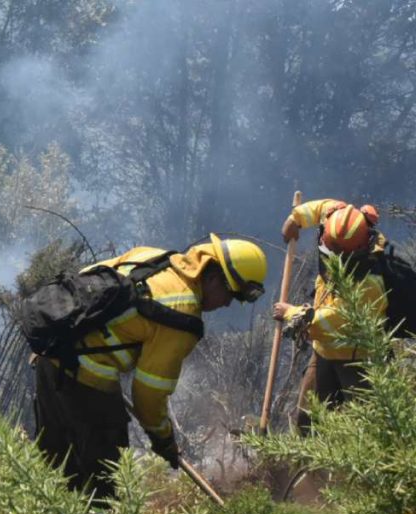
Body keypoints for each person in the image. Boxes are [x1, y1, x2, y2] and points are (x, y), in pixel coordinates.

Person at [35, 234, 267, 498]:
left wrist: (60, 339)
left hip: (50, 354)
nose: (227, 304)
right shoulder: (182, 316)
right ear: (214, 278)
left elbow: (87, 278)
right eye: (231, 295)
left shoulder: (155, 257)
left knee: (53, 463)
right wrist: (163, 440)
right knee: (106, 480)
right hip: (86, 381)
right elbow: (148, 395)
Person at [275, 200, 387, 433]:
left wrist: (291, 313)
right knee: (307, 418)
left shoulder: (370, 283)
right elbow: (321, 207)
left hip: (358, 360)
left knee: (365, 427)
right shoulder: (341, 219)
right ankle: (303, 453)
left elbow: (331, 321)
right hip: (323, 353)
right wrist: (296, 218)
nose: (330, 262)